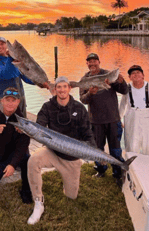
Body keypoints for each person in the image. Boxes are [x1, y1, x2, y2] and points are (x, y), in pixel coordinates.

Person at [27, 76, 96, 225]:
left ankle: (67, 182)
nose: (62, 90)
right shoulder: (47, 106)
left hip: (71, 159)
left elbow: (87, 131)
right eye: (59, 87)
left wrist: (93, 150)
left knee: (72, 196)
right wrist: (32, 130)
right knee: (33, 160)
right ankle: (38, 202)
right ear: (54, 89)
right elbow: (40, 124)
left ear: (69, 89)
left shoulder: (79, 108)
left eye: (65, 86)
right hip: (52, 153)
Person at [79, 53, 128, 183]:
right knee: (97, 149)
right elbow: (83, 99)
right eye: (90, 61)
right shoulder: (84, 80)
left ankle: (117, 173)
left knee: (115, 148)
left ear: (99, 62)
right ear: (87, 64)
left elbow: (124, 91)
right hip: (95, 122)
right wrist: (90, 93)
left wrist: (121, 81)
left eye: (95, 61)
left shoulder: (109, 75)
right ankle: (101, 169)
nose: (92, 63)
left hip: (113, 120)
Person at [0, 37, 49, 117]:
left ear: (6, 45)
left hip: (19, 98)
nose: (0, 47)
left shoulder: (14, 59)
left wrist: (40, 83)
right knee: (6, 125)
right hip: (4, 100)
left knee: (21, 125)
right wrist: (10, 58)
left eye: (2, 44)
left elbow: (25, 76)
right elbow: (6, 75)